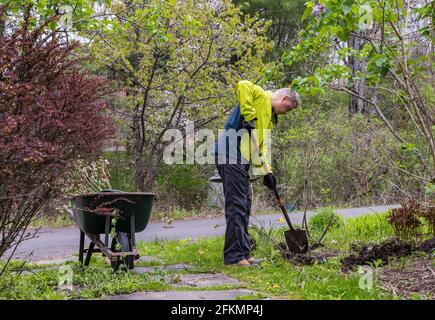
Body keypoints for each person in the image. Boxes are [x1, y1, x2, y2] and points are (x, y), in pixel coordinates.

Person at [214, 80, 300, 267]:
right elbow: (243, 84)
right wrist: (248, 114)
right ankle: (233, 257)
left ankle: (244, 253)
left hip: (241, 159)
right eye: (289, 108)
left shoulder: (268, 117)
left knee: (245, 204)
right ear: (284, 98)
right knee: (237, 204)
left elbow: (259, 148)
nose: (286, 113)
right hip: (229, 153)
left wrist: (267, 172)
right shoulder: (261, 96)